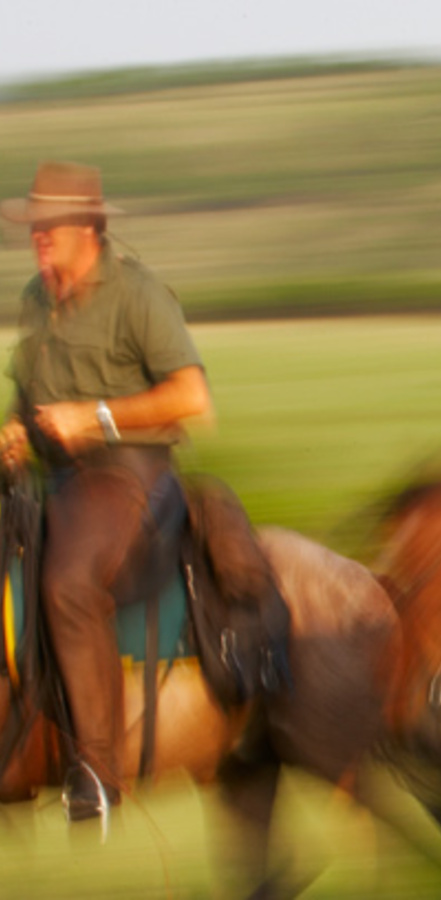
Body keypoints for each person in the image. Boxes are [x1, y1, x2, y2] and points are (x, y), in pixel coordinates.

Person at [0, 161, 215, 824]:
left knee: (67, 582)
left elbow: (192, 398)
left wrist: (94, 417)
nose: (39, 236)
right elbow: (33, 393)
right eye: (34, 226)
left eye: (51, 225)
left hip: (130, 476)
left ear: (89, 228)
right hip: (55, 474)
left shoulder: (140, 294)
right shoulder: (40, 298)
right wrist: (15, 428)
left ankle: (97, 769)